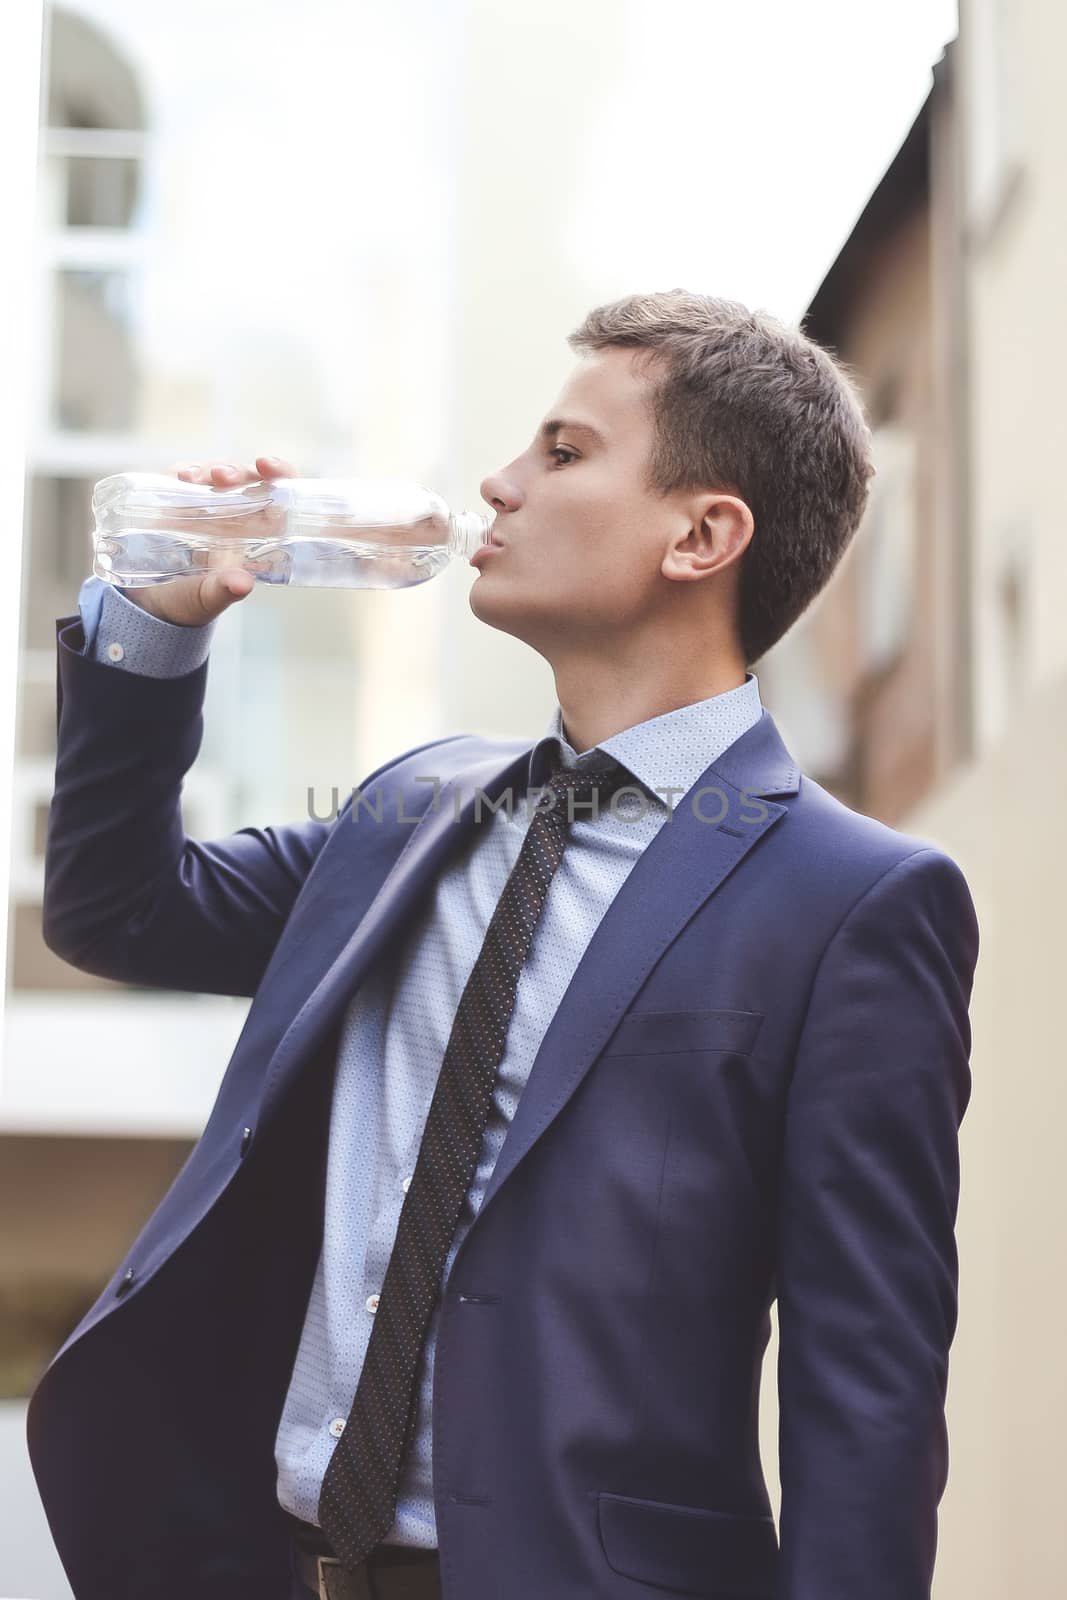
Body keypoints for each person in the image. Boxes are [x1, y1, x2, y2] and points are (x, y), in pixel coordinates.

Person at [27, 290, 979, 1600]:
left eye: (565, 451)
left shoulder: (854, 902)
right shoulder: (413, 811)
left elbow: (864, 1389)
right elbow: (117, 911)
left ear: (702, 535)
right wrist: (156, 632)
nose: (498, 483)